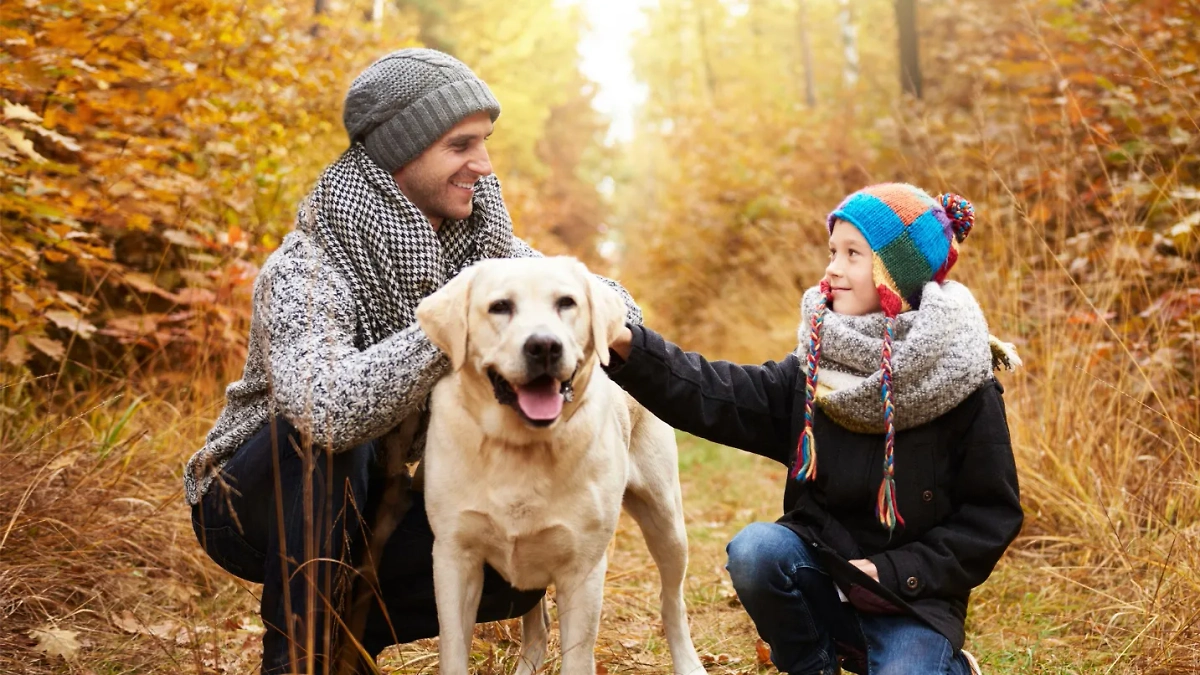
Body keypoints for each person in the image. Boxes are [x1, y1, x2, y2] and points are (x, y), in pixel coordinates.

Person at [183, 48, 642, 674]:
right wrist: (455, 325)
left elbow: (618, 305)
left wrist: (562, 304)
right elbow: (328, 412)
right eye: (461, 146)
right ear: (399, 152)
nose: (483, 165)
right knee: (325, 442)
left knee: (515, 566)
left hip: (377, 501)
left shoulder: (483, 251)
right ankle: (297, 662)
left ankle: (345, 648)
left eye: (484, 143)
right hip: (250, 501)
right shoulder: (307, 266)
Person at [607, 183, 1023, 674]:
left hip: (913, 602)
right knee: (757, 552)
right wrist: (628, 345)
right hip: (824, 575)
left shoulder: (964, 383)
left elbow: (990, 517)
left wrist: (893, 572)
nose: (832, 269)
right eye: (832, 252)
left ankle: (949, 666)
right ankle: (815, 664)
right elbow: (717, 392)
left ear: (897, 275)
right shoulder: (815, 368)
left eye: (853, 254)